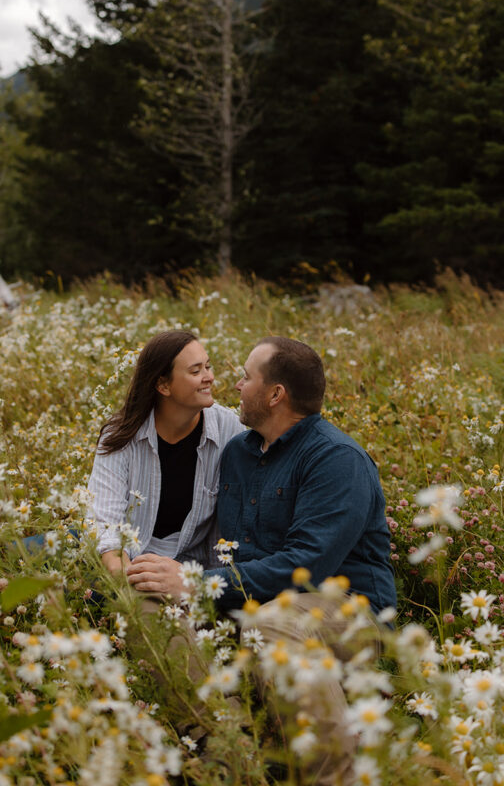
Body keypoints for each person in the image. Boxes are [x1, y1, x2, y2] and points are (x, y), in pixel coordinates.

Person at [126, 335, 397, 785]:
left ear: (275, 394)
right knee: (148, 605)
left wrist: (194, 581)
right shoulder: (239, 453)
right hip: (250, 604)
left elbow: (305, 568)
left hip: (345, 609)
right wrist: (167, 576)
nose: (235, 385)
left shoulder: (337, 460)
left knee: (274, 622)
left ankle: (332, 776)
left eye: (246, 377)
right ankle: (231, 752)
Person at [87, 329, 242, 575]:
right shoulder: (121, 436)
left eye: (208, 367)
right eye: (195, 371)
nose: (209, 377)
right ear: (163, 385)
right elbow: (106, 526)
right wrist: (129, 583)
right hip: (123, 562)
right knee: (23, 558)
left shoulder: (230, 429)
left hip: (187, 569)